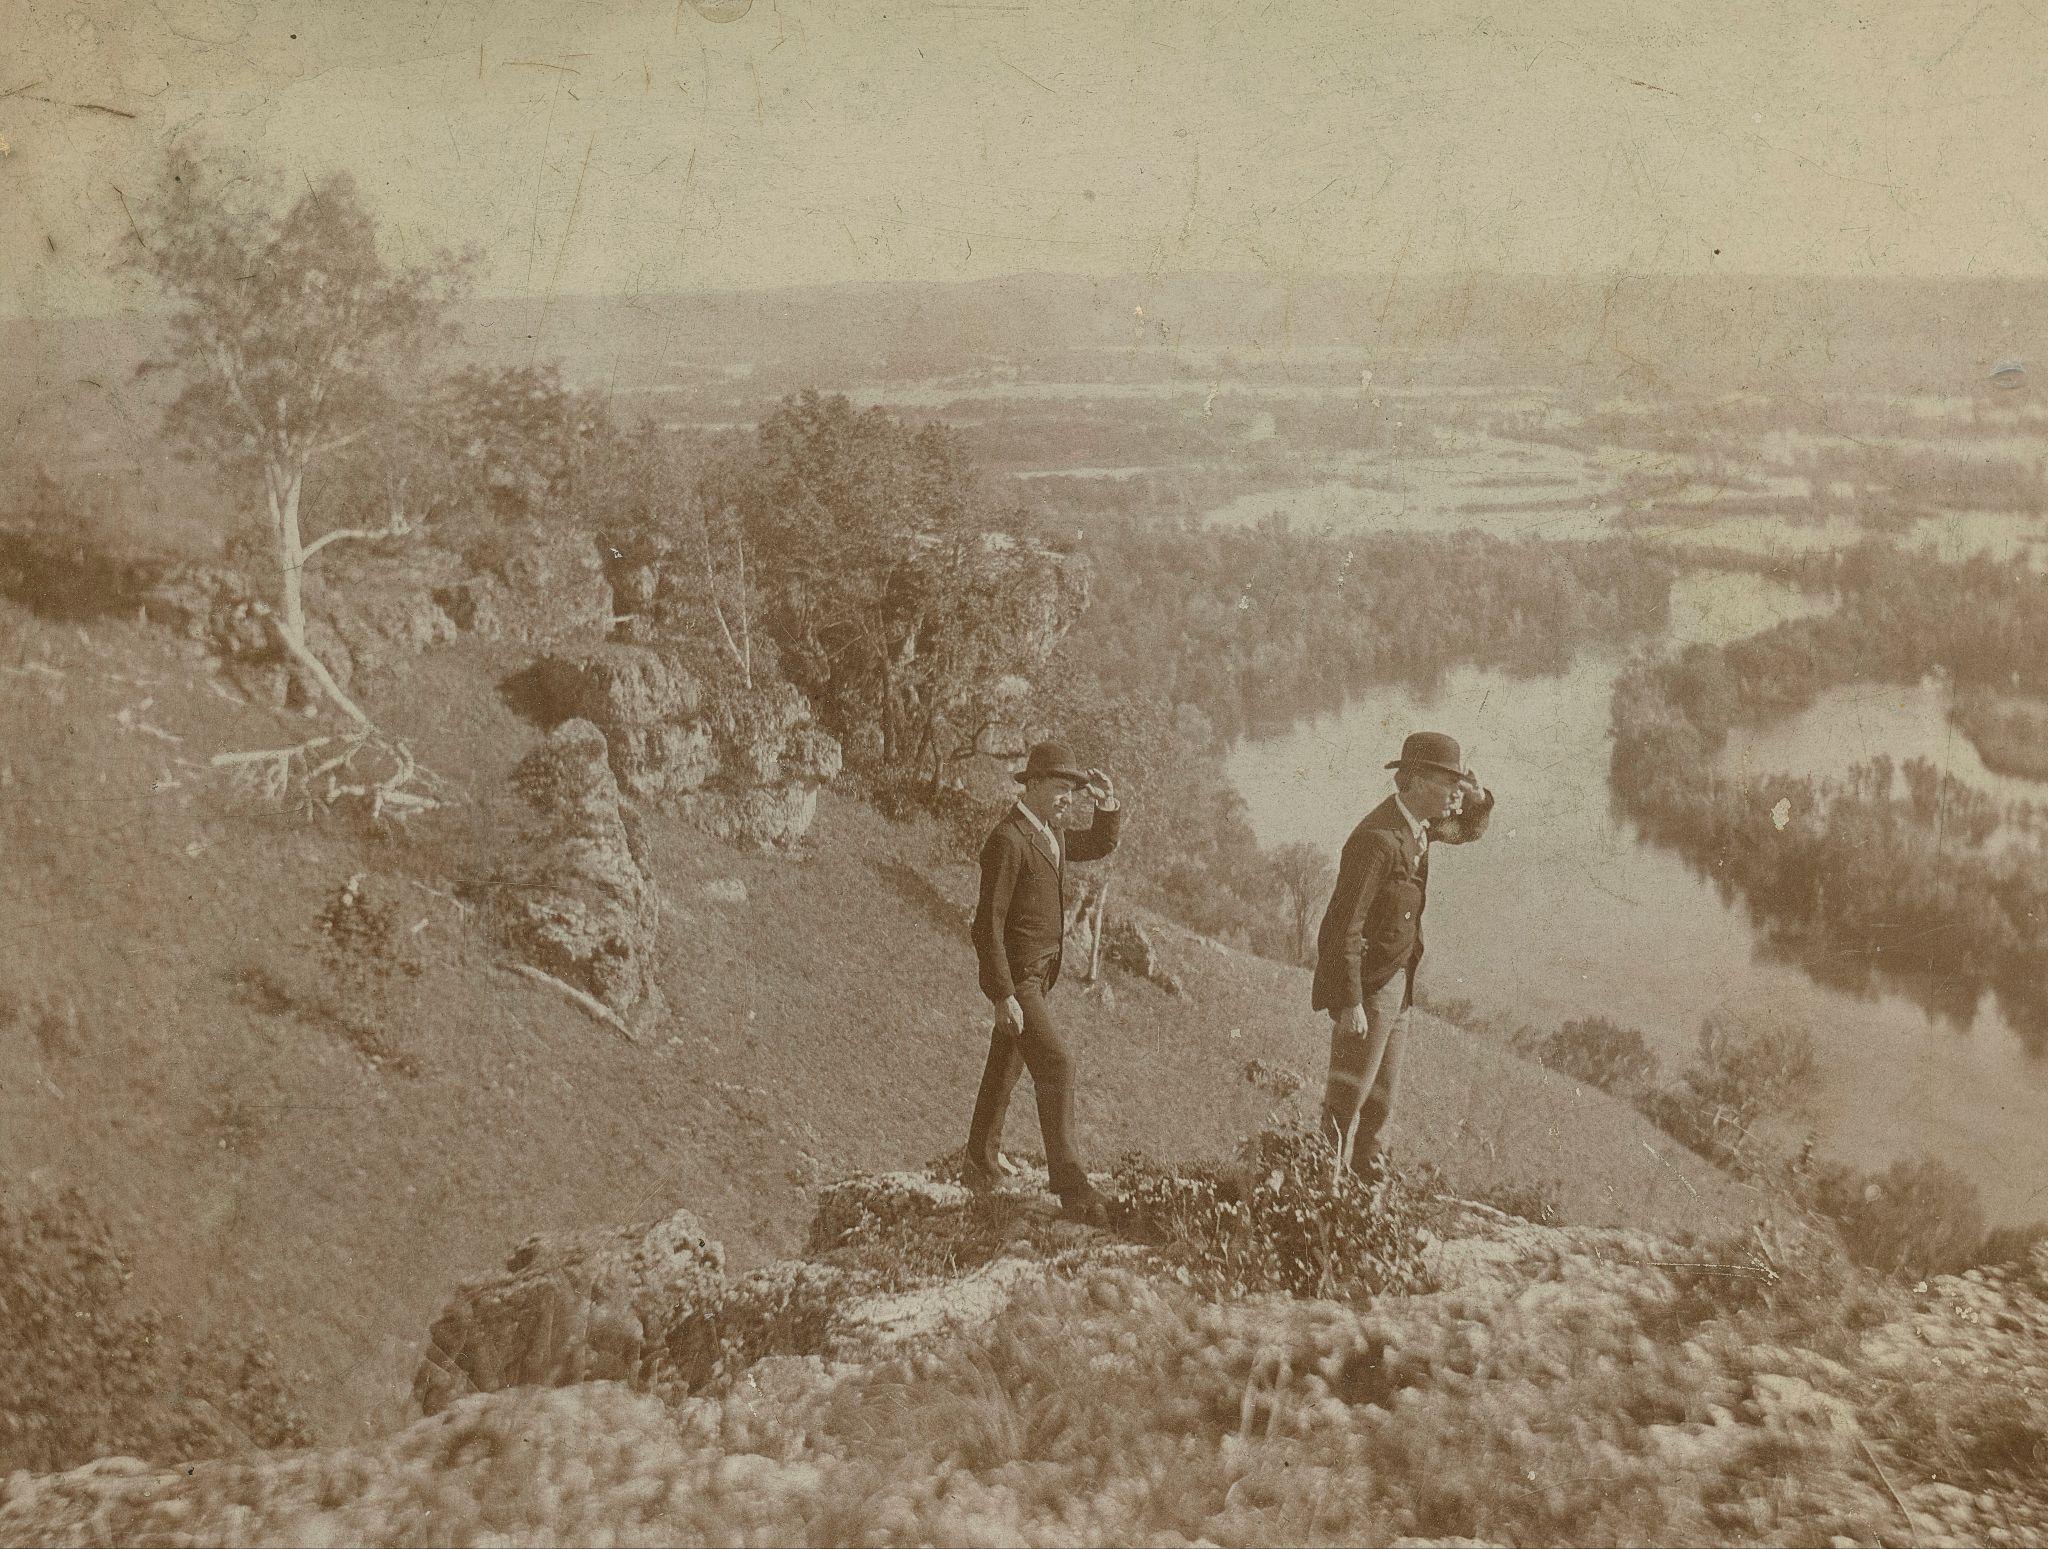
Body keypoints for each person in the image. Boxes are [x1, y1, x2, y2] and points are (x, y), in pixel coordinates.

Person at [1311, 730, 1494, 1177]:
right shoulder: (1377, 839)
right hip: (1370, 990)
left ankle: (1367, 1194)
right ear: (1414, 781)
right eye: (1448, 782)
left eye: (1458, 784)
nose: (1455, 793)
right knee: (1346, 1103)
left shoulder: (1418, 827)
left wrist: (1479, 797)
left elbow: (1467, 831)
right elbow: (1342, 926)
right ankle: (1319, 1191)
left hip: (1398, 985)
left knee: (1380, 1105)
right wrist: (1350, 1001)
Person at [964, 739, 1124, 1223]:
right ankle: (1072, 1188)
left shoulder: (1050, 832)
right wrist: (1003, 995)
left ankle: (979, 1162)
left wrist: (1107, 805)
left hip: (1040, 975)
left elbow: (1098, 844)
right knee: (1057, 1066)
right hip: (1020, 981)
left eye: (1072, 790)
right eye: (1060, 788)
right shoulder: (1008, 840)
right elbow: (986, 925)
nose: (1067, 798)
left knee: (1006, 1062)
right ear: (1032, 785)